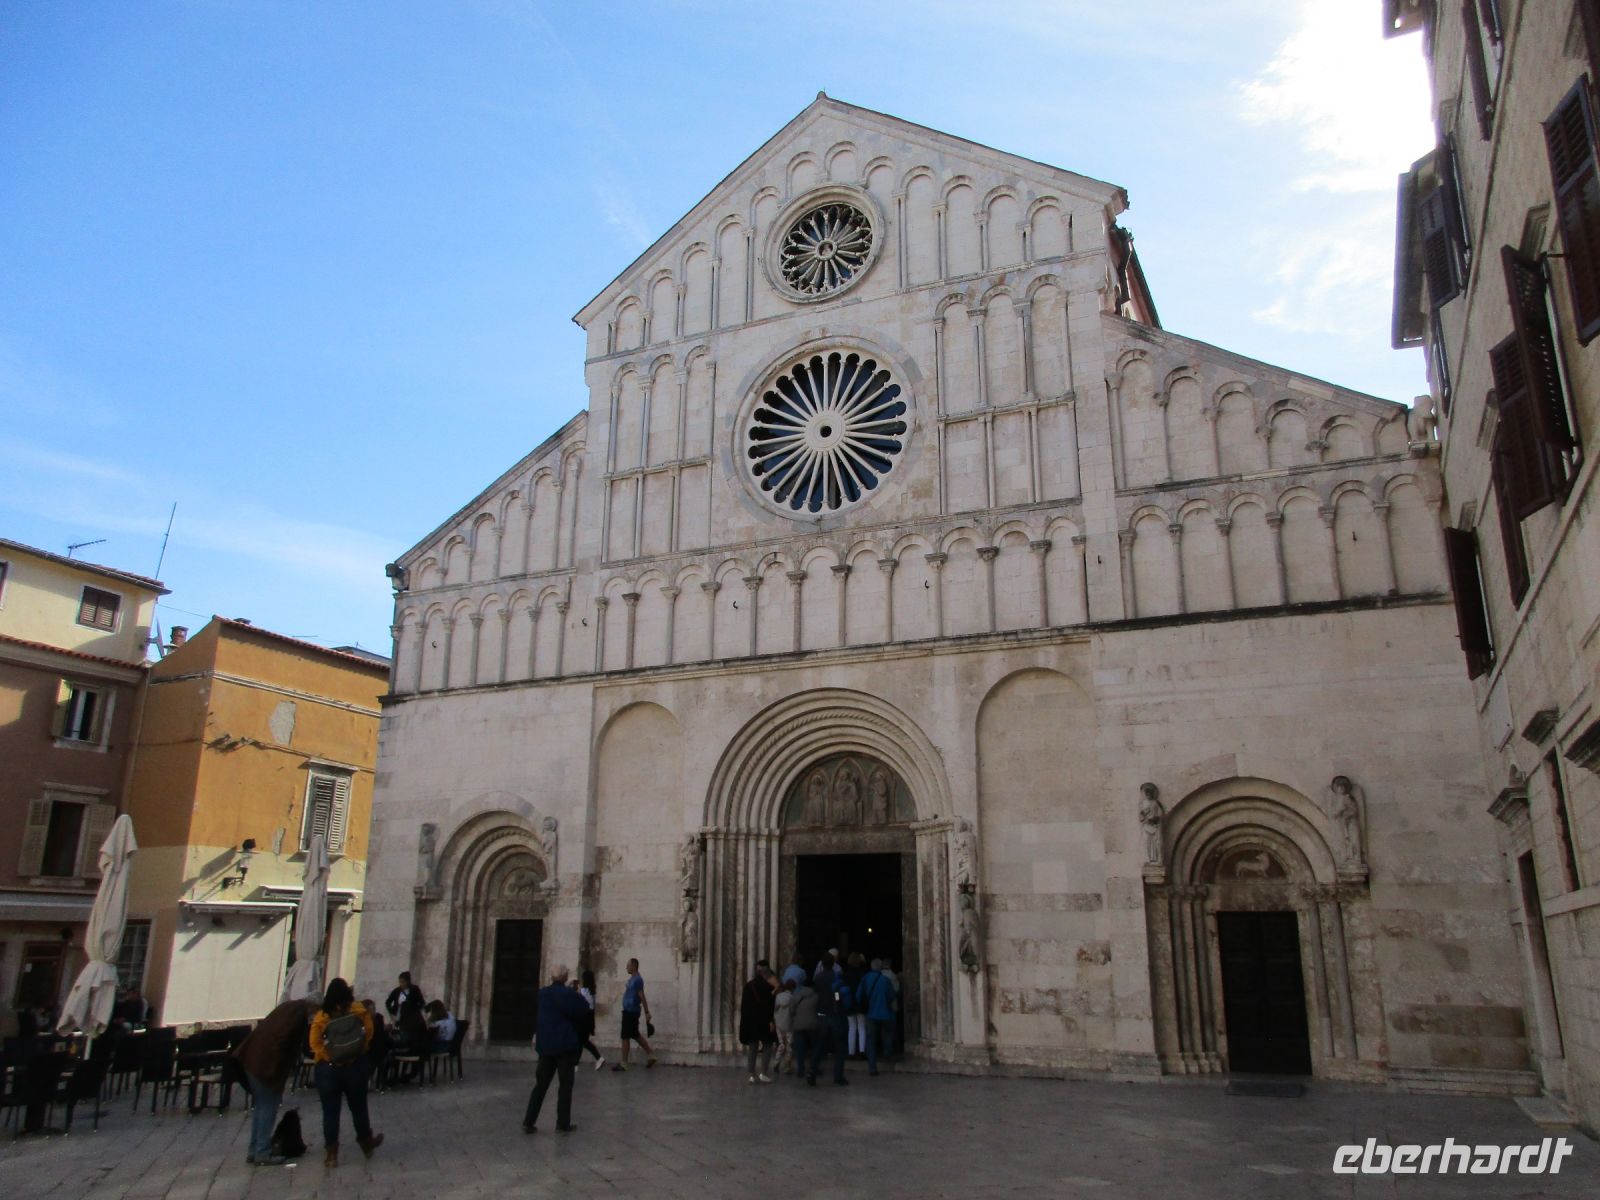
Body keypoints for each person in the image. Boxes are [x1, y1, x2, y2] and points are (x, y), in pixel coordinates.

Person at [233, 997, 318, 1166]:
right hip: (264, 1065)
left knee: (261, 1107)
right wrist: (277, 1072)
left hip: (253, 1060)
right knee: (267, 1107)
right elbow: (283, 1041)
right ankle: (262, 1152)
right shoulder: (296, 1015)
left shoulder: (288, 1009)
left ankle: (254, 1149)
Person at [309, 978, 384, 1168]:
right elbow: (369, 1032)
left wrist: (329, 1056)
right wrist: (357, 1050)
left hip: (328, 1069)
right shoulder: (357, 1009)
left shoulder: (321, 1016)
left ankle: (331, 1155)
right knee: (359, 1107)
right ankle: (366, 1143)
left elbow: (314, 1043)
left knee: (330, 1112)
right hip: (355, 1066)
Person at [522, 964, 588, 1134]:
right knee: (565, 1085)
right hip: (564, 1045)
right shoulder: (569, 995)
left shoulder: (542, 994)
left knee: (541, 1085)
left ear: (551, 977)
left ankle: (528, 1121)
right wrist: (577, 994)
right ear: (565, 978)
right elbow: (583, 1010)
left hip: (546, 1046)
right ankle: (562, 1123)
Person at [808, 953, 848, 1086]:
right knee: (840, 1046)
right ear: (833, 963)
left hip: (821, 1014)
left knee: (818, 1046)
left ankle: (812, 1072)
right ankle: (838, 1076)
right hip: (834, 1015)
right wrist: (837, 1002)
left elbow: (816, 993)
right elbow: (837, 993)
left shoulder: (818, 978)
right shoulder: (836, 977)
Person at [611, 957, 656, 1071]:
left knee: (625, 1036)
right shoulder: (632, 979)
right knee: (635, 1035)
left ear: (634, 966)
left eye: (628, 965)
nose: (626, 967)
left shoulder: (637, 980)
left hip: (631, 1012)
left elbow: (641, 995)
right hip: (629, 1011)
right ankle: (651, 1054)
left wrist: (646, 1011)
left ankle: (624, 1063)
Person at [738, 962, 777, 1083]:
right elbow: (770, 1005)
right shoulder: (769, 987)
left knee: (753, 1047)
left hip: (752, 1022)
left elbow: (744, 1006)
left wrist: (744, 1022)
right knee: (767, 1045)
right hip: (765, 1020)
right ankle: (764, 1073)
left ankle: (751, 1074)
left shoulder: (749, 986)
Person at [857, 959, 897, 1076]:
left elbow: (858, 996)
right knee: (887, 1034)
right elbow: (892, 996)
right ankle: (886, 1053)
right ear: (880, 968)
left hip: (870, 1014)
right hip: (885, 1014)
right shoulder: (885, 981)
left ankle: (872, 1067)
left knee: (871, 1040)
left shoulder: (865, 979)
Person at [788, 976, 818, 1080]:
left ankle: (801, 1070)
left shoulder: (796, 996)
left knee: (800, 1049)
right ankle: (813, 1068)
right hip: (812, 1025)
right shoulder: (816, 996)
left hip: (799, 1025)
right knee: (815, 1047)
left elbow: (791, 1010)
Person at [575, 969, 605, 1070]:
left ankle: (598, 1057)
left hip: (584, 1018)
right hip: (589, 1018)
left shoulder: (584, 991)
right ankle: (576, 1064)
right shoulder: (592, 991)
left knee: (583, 1041)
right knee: (581, 1041)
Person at [842, 952, 867, 1058]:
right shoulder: (863, 973)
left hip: (849, 1002)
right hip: (860, 1002)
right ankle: (862, 1051)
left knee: (851, 1027)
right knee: (862, 1027)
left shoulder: (846, 973)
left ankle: (851, 1052)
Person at [773, 978, 796, 1073]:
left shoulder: (778, 996)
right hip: (789, 1024)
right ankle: (787, 1066)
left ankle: (776, 1062)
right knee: (789, 1045)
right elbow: (793, 1012)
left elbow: (775, 1009)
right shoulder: (792, 998)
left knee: (781, 1044)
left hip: (779, 1024)